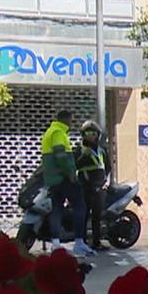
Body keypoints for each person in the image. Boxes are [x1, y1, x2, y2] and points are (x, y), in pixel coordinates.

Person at [41, 109, 94, 256]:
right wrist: (70, 173)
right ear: (66, 120)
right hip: (63, 177)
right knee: (80, 206)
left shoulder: (49, 132)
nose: (71, 123)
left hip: (53, 179)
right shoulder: (59, 133)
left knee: (56, 209)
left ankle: (56, 243)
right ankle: (79, 242)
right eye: (71, 120)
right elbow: (61, 155)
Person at [74, 120, 108, 251]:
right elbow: (74, 166)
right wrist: (83, 156)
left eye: (93, 133)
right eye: (87, 133)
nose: (91, 136)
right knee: (84, 214)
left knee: (97, 216)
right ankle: (81, 241)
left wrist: (107, 182)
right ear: (83, 135)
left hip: (100, 188)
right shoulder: (79, 150)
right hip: (85, 187)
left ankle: (96, 241)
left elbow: (108, 167)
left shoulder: (102, 150)